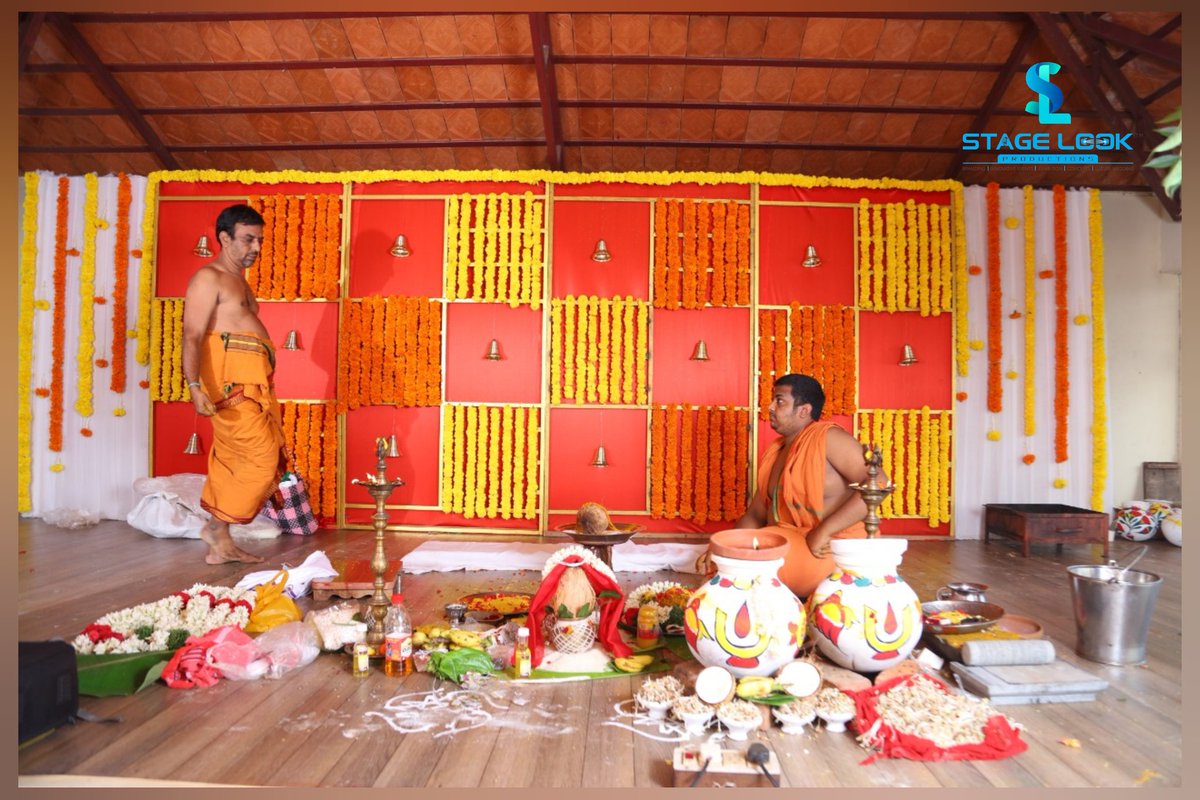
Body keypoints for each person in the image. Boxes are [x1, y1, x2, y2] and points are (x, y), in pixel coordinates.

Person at [181, 204, 284, 564]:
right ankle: (215, 527)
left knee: (233, 458)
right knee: (262, 458)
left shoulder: (238, 279)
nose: (256, 247)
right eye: (248, 239)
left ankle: (220, 542)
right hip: (230, 386)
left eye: (260, 240)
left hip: (250, 383)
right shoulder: (208, 278)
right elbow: (192, 335)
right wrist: (194, 386)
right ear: (224, 238)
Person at [733, 374, 882, 598]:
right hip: (792, 540)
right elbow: (755, 514)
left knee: (747, 567)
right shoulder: (776, 452)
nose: (770, 407)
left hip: (830, 546)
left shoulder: (829, 438)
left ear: (803, 410)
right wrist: (725, 546)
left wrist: (825, 530)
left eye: (779, 401)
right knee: (724, 561)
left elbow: (878, 482)